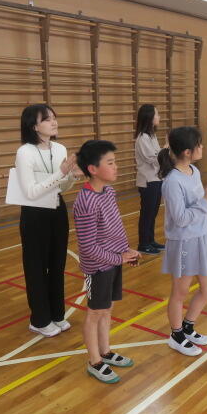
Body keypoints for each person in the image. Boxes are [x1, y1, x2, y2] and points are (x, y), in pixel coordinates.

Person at [74, 140, 140, 383]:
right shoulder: (85, 201)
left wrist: (126, 251)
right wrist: (117, 257)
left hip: (113, 262)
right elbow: (88, 247)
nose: (116, 167)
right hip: (97, 268)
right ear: (93, 169)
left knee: (107, 308)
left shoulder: (109, 192)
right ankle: (94, 361)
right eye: (110, 163)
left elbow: (114, 229)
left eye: (115, 162)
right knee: (95, 312)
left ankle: (105, 351)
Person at [158, 126, 207, 356]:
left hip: (202, 236)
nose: (202, 147)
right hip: (184, 241)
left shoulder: (194, 171)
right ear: (187, 151)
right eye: (199, 144)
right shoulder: (172, 181)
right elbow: (180, 218)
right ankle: (176, 335)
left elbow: (198, 205)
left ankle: (187, 327)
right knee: (181, 291)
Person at [15, 104, 77, 338]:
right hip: (34, 214)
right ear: (34, 126)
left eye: (54, 118)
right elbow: (31, 192)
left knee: (57, 264)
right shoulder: (25, 152)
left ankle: (57, 314)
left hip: (56, 208)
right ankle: (39, 319)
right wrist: (60, 173)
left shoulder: (59, 148)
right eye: (47, 119)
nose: (54, 122)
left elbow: (61, 187)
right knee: (36, 267)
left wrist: (71, 176)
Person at [134, 104, 166, 255]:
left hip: (156, 179)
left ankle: (150, 240)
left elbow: (158, 156)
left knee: (153, 212)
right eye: (156, 114)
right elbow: (153, 158)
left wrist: (164, 151)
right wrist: (166, 149)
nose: (159, 117)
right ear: (149, 117)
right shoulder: (143, 138)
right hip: (148, 181)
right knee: (147, 213)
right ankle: (143, 243)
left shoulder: (152, 136)